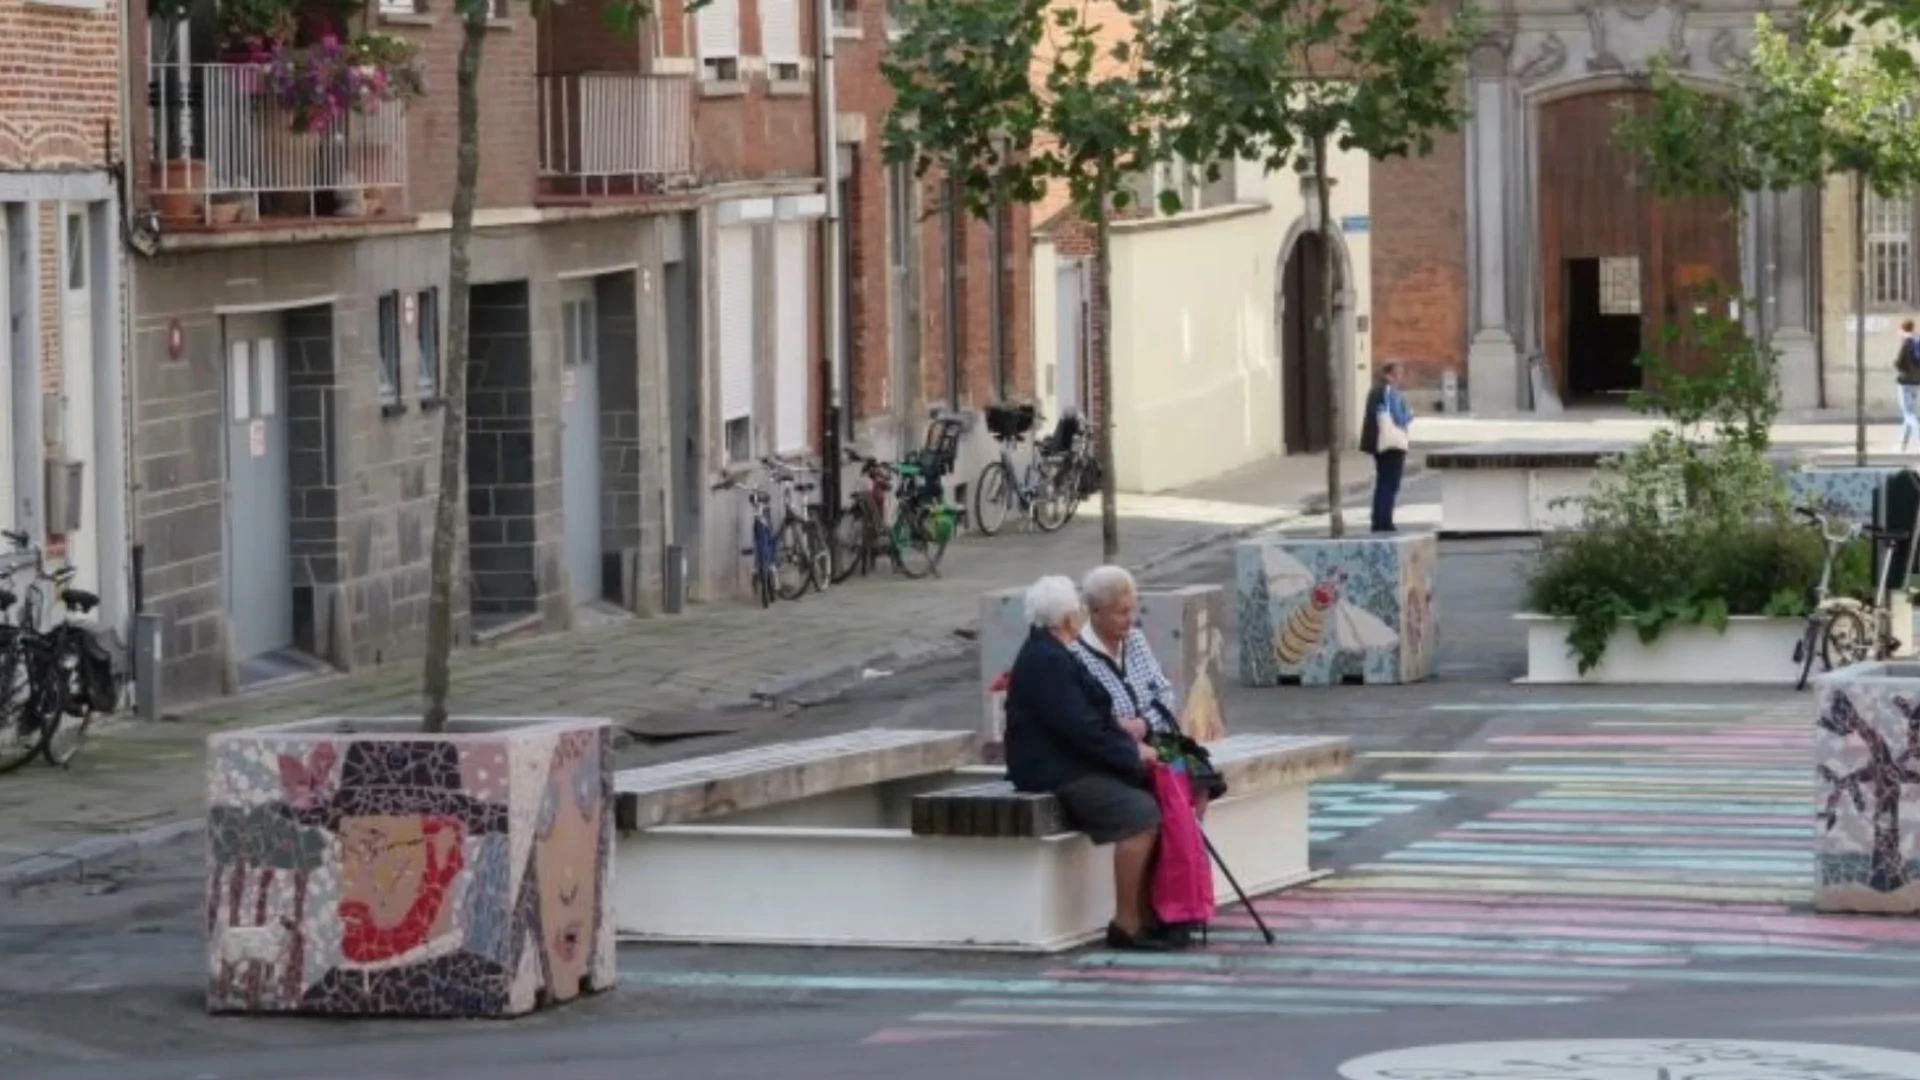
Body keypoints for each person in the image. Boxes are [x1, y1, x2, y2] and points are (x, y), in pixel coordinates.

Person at [1003, 574, 1170, 950]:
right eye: (1076, 610)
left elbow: (1091, 719)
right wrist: (1130, 754)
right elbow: (1079, 729)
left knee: (1153, 798)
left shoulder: (1051, 651)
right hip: (1054, 770)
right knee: (1140, 814)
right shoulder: (1048, 660)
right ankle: (1126, 922)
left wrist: (1129, 746)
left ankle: (1147, 915)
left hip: (1069, 760)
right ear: (1066, 619)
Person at [1069, 565, 1226, 822]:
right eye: (1122, 612)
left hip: (1156, 743)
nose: (1130, 619)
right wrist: (1123, 729)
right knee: (1162, 795)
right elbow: (1088, 719)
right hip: (1118, 754)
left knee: (1199, 780)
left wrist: (1143, 723)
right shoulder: (1076, 657)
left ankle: (1186, 853)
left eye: (1131, 609)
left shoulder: (1135, 640)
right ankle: (1175, 855)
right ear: (1095, 611)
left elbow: (1165, 695)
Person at [1359, 362, 1412, 534]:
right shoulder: (1389, 391)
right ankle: (1384, 521)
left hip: (1379, 443)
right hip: (1391, 444)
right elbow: (1398, 418)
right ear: (1389, 374)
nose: (1400, 378)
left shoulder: (1376, 390)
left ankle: (1379, 519)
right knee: (1390, 483)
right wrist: (1409, 416)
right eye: (1398, 374)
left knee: (1383, 482)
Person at [1897, 320, 1920, 451]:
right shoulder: (1918, 341)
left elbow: (1899, 362)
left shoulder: (1907, 343)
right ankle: (1902, 446)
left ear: (1902, 329)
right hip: (1916, 382)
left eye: (1899, 330)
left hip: (1904, 382)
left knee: (1908, 414)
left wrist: (1898, 366)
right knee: (1909, 414)